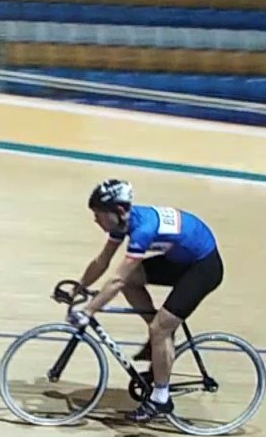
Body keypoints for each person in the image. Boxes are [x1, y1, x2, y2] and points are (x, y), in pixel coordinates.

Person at [70, 179, 223, 421]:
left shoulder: (143, 230)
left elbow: (117, 280)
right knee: (138, 289)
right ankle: (162, 339)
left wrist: (88, 311)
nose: (96, 220)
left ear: (118, 211)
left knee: (158, 327)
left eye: (99, 214)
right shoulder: (122, 223)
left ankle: (161, 399)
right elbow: (103, 262)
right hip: (182, 260)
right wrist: (80, 287)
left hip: (203, 268)